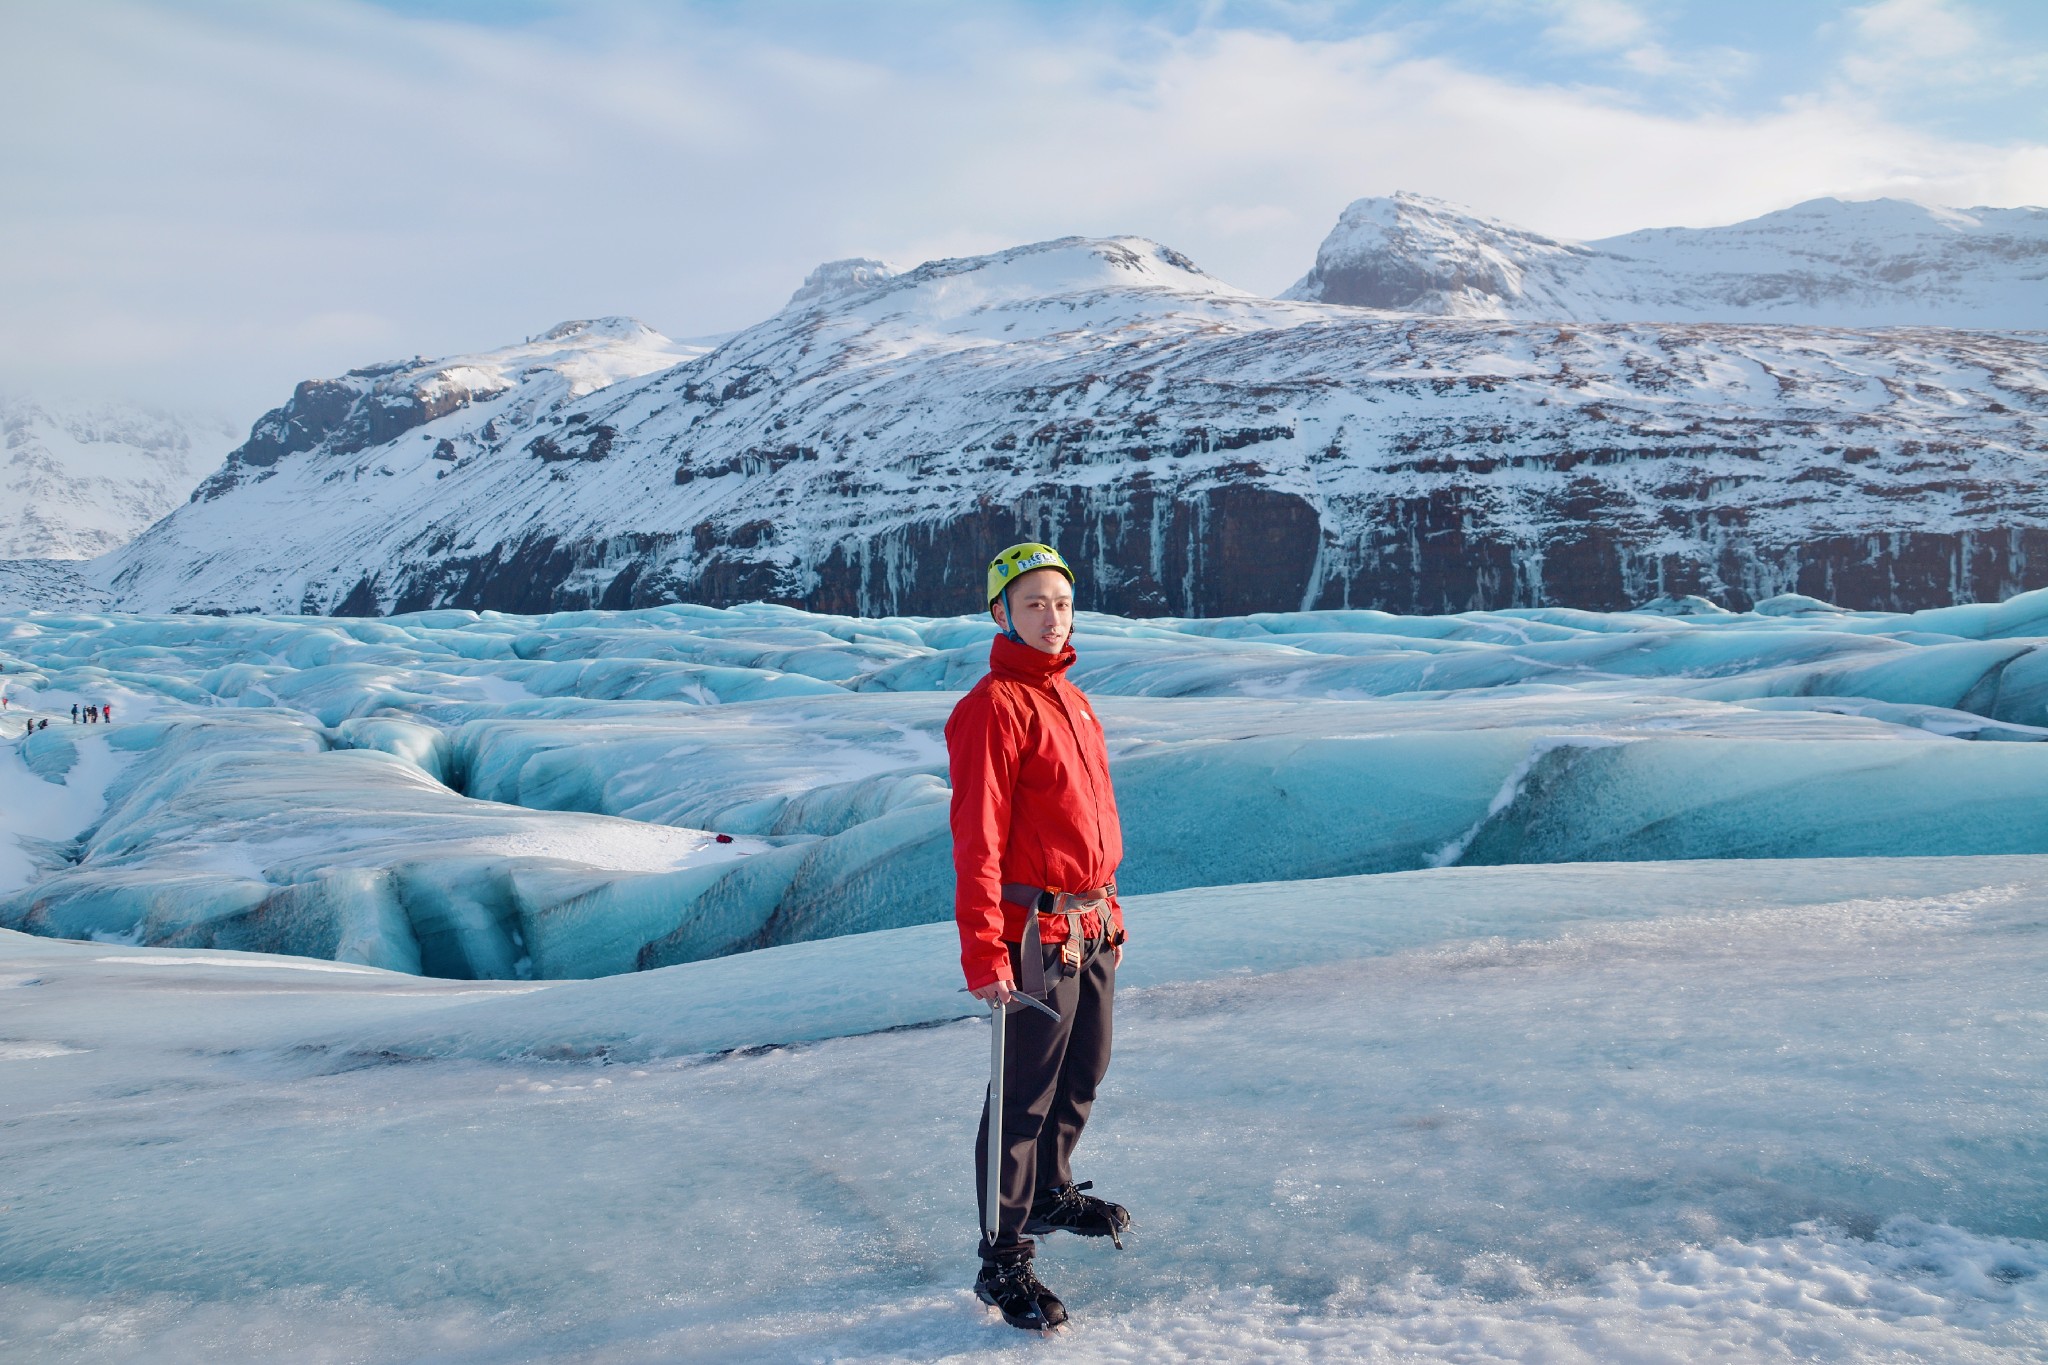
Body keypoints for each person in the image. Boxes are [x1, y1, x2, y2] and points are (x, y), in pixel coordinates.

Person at [947, 541, 1132, 1332]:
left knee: (1084, 1069)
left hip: (1088, 921)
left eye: (1060, 602)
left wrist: (1110, 905)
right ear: (1001, 614)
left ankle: (1051, 1190)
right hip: (1033, 929)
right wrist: (985, 952)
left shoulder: (1075, 700)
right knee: (1022, 1094)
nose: (1051, 617)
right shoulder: (993, 706)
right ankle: (1004, 1257)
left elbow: (1090, 816)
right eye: (1033, 604)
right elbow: (978, 840)